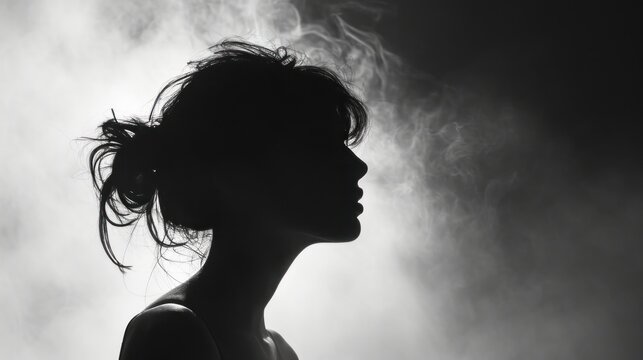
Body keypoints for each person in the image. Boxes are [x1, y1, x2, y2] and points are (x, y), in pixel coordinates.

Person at [85, 39, 369, 360]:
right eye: (322, 147)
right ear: (237, 173)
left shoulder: (279, 350)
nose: (357, 166)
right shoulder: (172, 333)